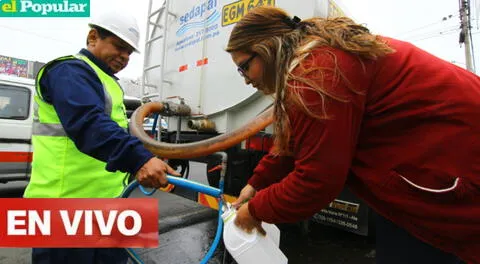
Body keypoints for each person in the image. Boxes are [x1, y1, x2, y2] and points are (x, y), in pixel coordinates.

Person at [227, 6, 480, 264]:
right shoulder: (317, 59)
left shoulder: (317, 73)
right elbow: (291, 143)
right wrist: (256, 183)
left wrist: (255, 211)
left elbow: (316, 181)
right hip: (432, 162)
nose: (246, 80)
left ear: (267, 48)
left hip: (461, 158)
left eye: (244, 67)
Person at [23, 10, 179, 264]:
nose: (125, 57)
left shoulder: (107, 81)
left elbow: (115, 131)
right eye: (119, 47)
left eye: (129, 52)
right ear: (93, 37)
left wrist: (145, 156)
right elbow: (88, 124)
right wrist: (139, 159)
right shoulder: (68, 71)